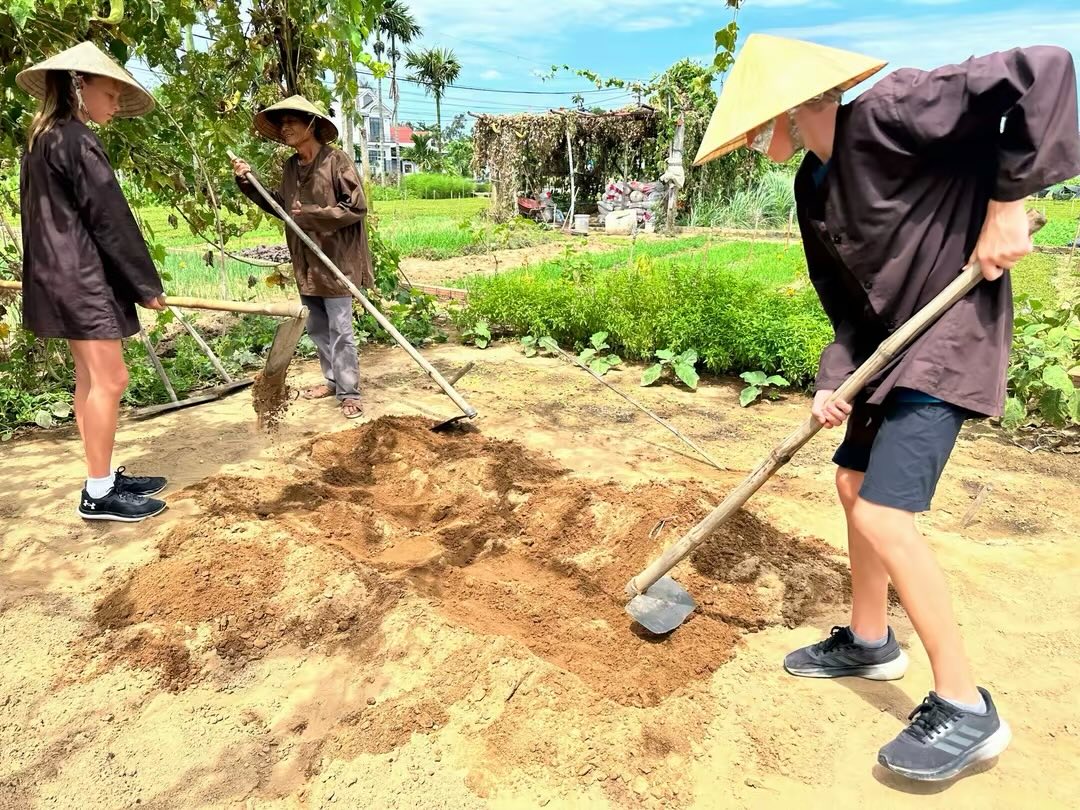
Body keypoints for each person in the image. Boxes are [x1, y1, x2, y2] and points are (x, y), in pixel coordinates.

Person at [694, 34, 1080, 781]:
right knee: (849, 485)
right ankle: (871, 641)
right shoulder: (813, 188)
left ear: (788, 112)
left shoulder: (897, 107)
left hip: (951, 336)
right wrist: (831, 377)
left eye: (754, 126)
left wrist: (1008, 205)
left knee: (882, 511)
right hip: (890, 350)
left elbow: (1047, 71)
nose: (751, 143)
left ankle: (966, 706)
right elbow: (846, 306)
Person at [18, 41, 171, 523]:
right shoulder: (75, 140)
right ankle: (99, 492)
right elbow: (110, 219)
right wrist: (146, 284)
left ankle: (100, 474)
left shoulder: (43, 139)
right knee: (112, 378)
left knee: (89, 379)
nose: (115, 106)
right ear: (79, 85)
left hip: (57, 277)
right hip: (82, 279)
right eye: (109, 94)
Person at [232, 96, 372, 420]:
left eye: (291, 122)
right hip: (306, 262)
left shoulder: (336, 162)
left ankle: (349, 392)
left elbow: (356, 207)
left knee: (340, 329)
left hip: (336, 261)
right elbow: (281, 207)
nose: (285, 129)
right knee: (319, 327)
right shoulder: (291, 167)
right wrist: (248, 183)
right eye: (281, 124)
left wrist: (311, 215)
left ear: (310, 124)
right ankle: (333, 381)